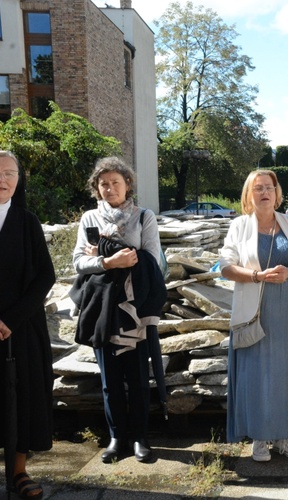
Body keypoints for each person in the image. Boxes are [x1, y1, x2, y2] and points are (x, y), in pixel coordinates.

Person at [0, 150, 55, 499]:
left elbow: (44, 276)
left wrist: (9, 320)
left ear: (18, 180)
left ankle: (19, 472)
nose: (1, 179)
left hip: (20, 330)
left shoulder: (27, 222)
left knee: (23, 398)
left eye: (9, 173)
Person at [71, 157, 167, 464]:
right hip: (101, 306)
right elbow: (78, 263)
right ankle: (116, 437)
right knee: (109, 379)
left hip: (135, 307)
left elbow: (151, 260)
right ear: (96, 189)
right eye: (104, 184)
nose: (110, 188)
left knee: (138, 377)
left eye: (116, 182)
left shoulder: (143, 217)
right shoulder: (89, 219)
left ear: (128, 184)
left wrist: (103, 249)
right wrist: (109, 261)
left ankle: (140, 438)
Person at [219, 170, 288, 462]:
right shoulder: (239, 226)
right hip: (254, 311)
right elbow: (224, 266)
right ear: (249, 194)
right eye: (258, 188)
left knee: (286, 375)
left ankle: (284, 437)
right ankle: (260, 438)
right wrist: (257, 275)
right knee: (257, 375)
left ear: (277, 193)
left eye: (269, 187)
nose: (264, 192)